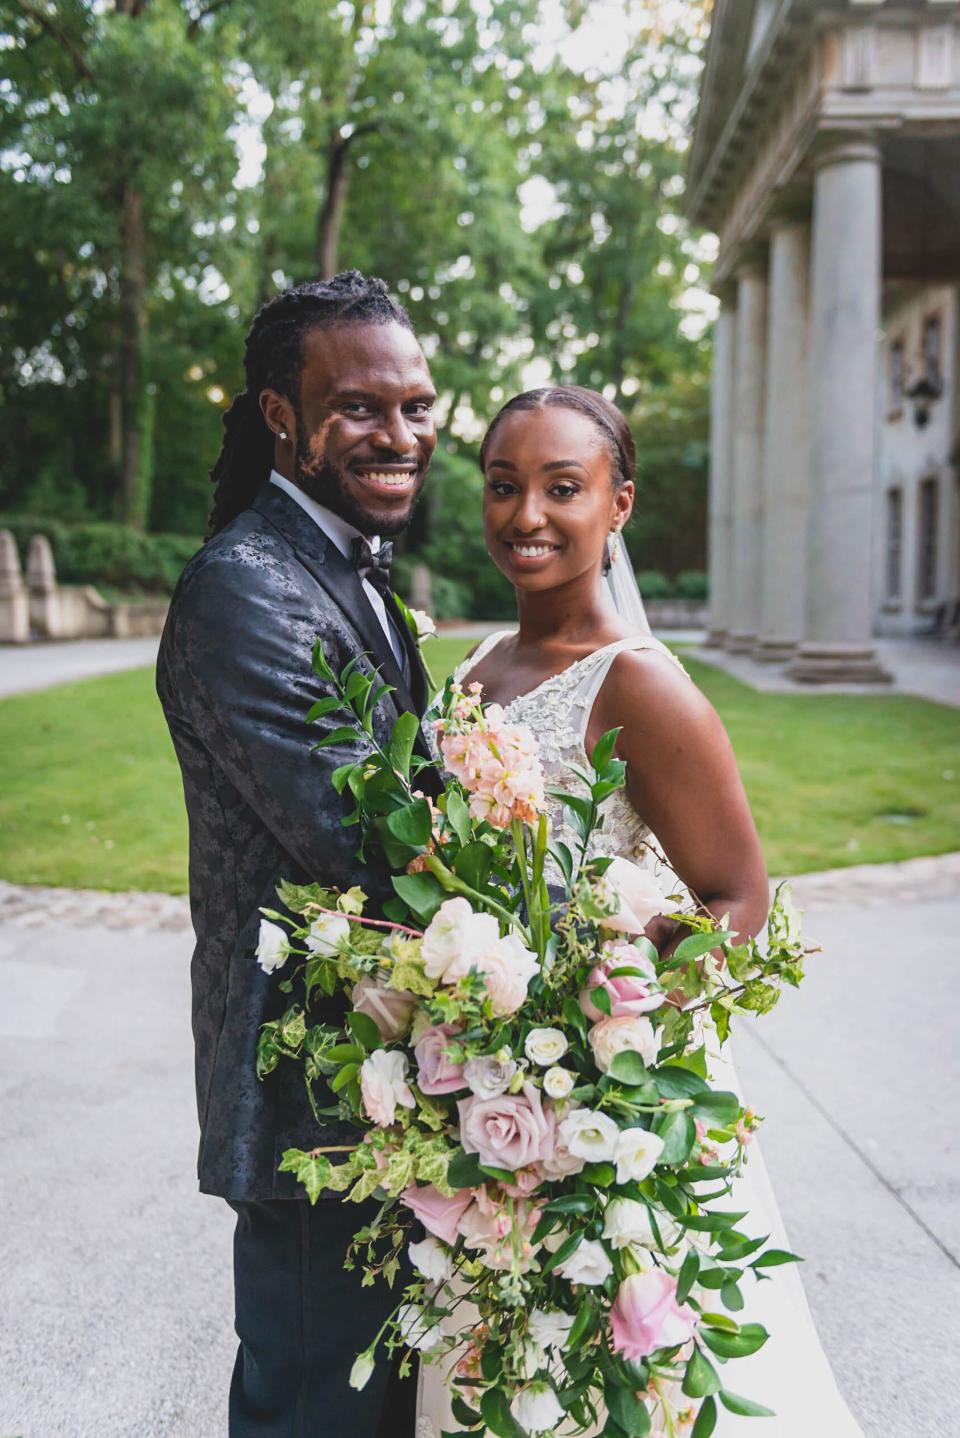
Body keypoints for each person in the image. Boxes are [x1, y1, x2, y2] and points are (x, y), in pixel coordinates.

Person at [416, 386, 864, 1437]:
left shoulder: (643, 688)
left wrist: (607, 1037)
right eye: (503, 485)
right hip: (484, 1096)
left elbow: (739, 898)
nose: (525, 514)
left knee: (608, 1386)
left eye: (561, 488)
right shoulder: (477, 667)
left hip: (603, 1106)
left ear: (618, 503)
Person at [156, 270, 440, 1437]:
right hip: (311, 1109)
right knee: (317, 1412)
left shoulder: (351, 570)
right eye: (360, 407)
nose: (401, 434)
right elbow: (367, 844)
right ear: (281, 414)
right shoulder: (246, 589)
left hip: (394, 1089)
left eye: (417, 405)